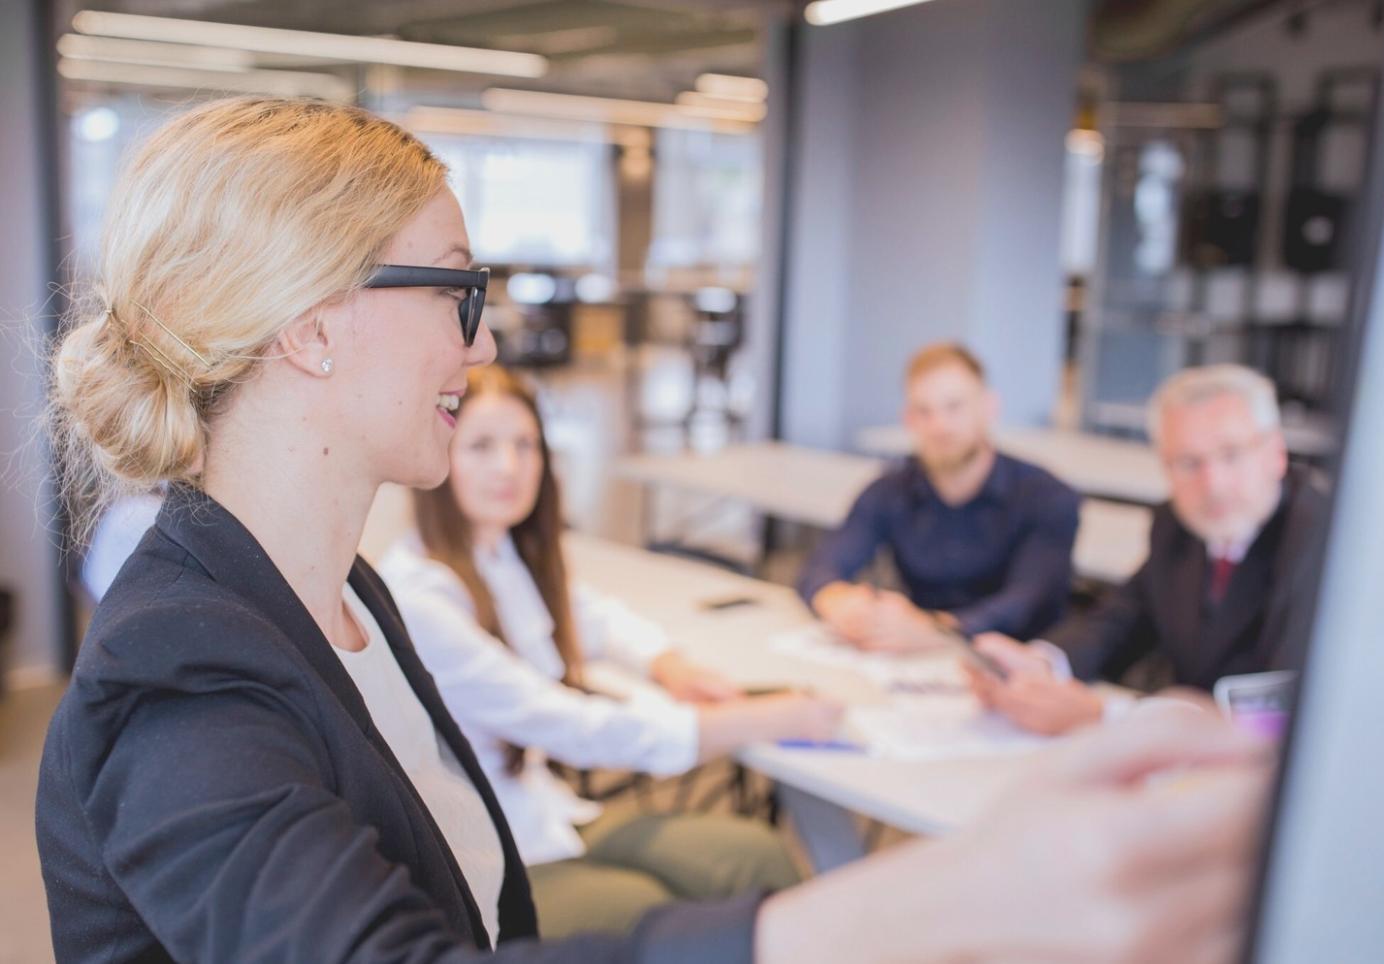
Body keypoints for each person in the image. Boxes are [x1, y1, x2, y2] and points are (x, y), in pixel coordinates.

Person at [38, 95, 1273, 963]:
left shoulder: (343, 592)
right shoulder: (181, 677)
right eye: (459, 289)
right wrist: (945, 899)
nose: (484, 339)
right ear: (311, 326)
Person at [381, 363, 833, 937]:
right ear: (440, 449)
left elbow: (593, 616)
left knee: (753, 854)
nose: (510, 467)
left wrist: (668, 664)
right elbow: (567, 723)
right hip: (486, 855)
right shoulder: (422, 593)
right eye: (482, 447)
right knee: (653, 912)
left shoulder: (502, 552)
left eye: (525, 445)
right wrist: (758, 720)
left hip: (547, 813)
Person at [966, 364, 1328, 735]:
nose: (1213, 484)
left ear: (1276, 453)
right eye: (1188, 463)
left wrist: (1108, 716)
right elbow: (1121, 620)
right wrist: (1041, 665)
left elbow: (1289, 713)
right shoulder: (1177, 523)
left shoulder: (1323, 544)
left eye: (1231, 454)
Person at [797, 343, 1080, 652]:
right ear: (908, 419)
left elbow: (1027, 602)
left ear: (988, 407)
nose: (940, 426)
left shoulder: (1047, 497)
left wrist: (936, 628)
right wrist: (839, 602)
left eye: (954, 407)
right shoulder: (889, 490)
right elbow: (824, 563)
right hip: (918, 657)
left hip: (1017, 660)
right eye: (924, 411)